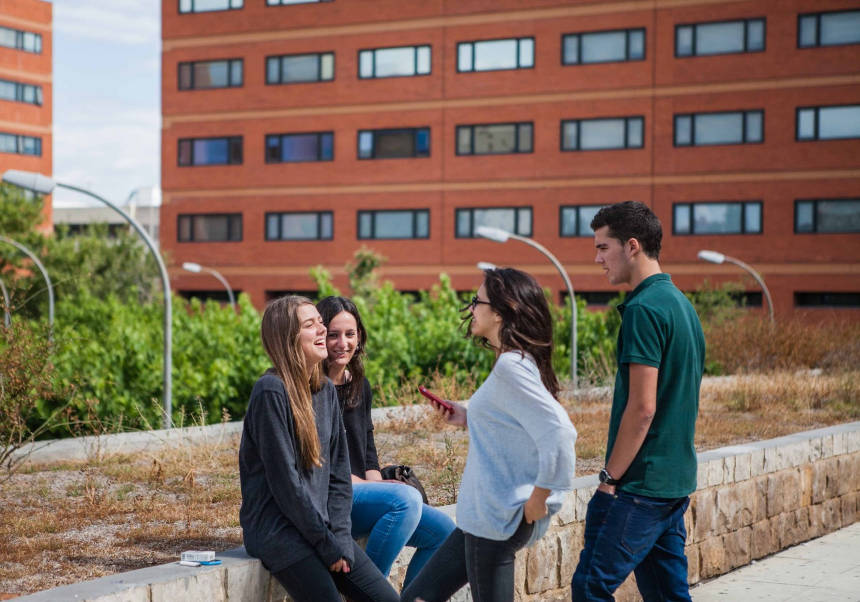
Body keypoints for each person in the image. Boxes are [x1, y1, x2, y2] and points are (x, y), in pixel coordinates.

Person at [401, 267, 578, 602]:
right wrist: (468, 417)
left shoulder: (512, 366)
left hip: (497, 520)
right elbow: (516, 425)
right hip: (481, 520)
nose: (471, 309)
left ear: (499, 312)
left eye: (476, 301)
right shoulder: (515, 361)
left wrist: (539, 500)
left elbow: (560, 433)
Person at [571, 201, 706, 601]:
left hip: (639, 485)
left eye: (602, 247)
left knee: (590, 588)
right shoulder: (682, 305)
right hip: (673, 482)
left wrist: (610, 479)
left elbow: (643, 407)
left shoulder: (643, 309)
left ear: (632, 246)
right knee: (667, 595)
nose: (597, 258)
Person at [238, 295, 399, 602]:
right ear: (287, 338)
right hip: (279, 533)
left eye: (320, 322)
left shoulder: (324, 390)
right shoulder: (270, 391)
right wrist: (326, 545)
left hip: (322, 531)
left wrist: (338, 536)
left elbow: (339, 476)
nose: (322, 330)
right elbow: (286, 484)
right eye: (310, 325)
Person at [316, 295, 457, 587]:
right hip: (331, 500)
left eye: (350, 334)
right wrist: (378, 488)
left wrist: (378, 484)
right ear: (320, 337)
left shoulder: (359, 385)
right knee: (405, 499)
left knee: (444, 532)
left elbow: (368, 452)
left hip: (360, 492)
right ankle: (366, 591)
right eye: (333, 335)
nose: (343, 343)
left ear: (359, 337)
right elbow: (322, 468)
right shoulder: (311, 390)